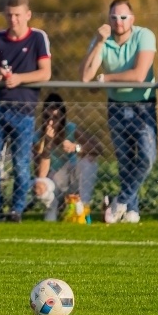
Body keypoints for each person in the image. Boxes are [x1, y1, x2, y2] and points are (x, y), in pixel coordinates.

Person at [79, 0, 157, 224]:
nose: (118, 22)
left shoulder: (144, 35)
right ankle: (131, 210)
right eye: (113, 17)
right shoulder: (102, 39)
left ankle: (121, 200)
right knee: (124, 161)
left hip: (143, 106)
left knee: (146, 157)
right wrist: (100, 43)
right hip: (115, 106)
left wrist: (106, 79)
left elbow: (139, 75)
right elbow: (85, 77)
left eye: (123, 17)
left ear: (132, 19)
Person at [0, 0, 52, 222]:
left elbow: (45, 72)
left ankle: (16, 210)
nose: (13, 20)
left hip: (24, 111)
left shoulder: (38, 38)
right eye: (10, 15)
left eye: (18, 15)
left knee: (21, 164)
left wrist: (19, 78)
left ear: (28, 15)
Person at [33, 93, 100, 222]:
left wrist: (77, 147)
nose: (51, 122)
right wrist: (47, 144)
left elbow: (97, 149)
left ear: (62, 118)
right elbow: (40, 174)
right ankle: (53, 207)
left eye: (55, 118)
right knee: (39, 185)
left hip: (71, 176)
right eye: (47, 117)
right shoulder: (37, 137)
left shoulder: (70, 129)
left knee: (89, 161)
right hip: (52, 180)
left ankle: (83, 205)